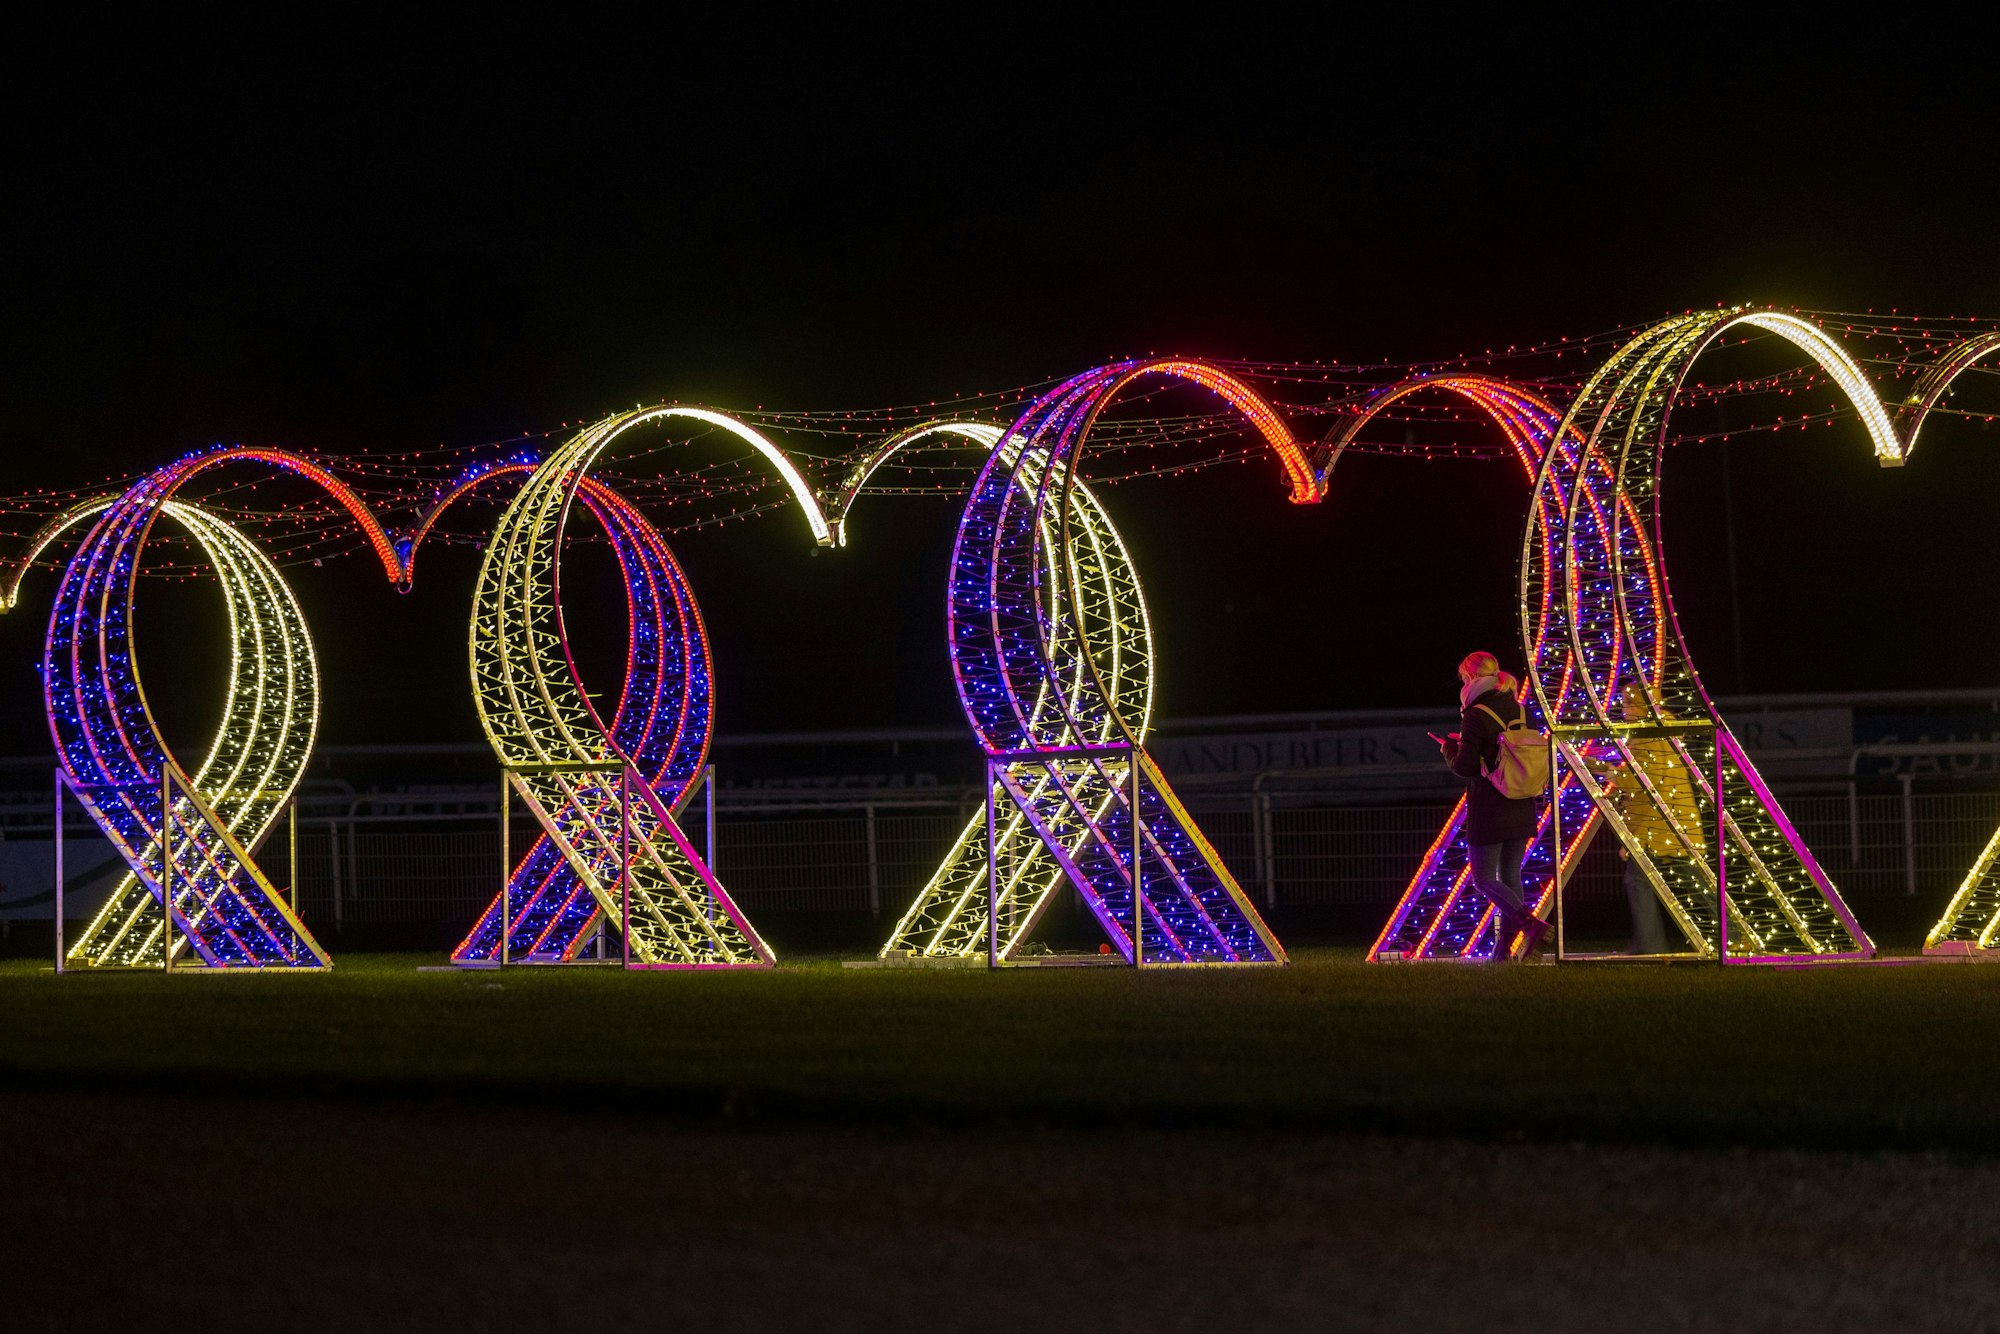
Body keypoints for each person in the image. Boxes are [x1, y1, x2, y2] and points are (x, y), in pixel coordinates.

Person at [1439, 651, 1550, 961]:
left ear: (1471, 677)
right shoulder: (1521, 710)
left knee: (1484, 878)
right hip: (1522, 800)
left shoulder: (1475, 714)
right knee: (1511, 876)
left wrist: (1449, 749)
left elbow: (1465, 767)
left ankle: (1531, 925)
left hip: (1490, 806)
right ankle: (1504, 952)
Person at [1602, 676, 1705, 955]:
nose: (1623, 709)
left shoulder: (1645, 734)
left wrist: (1612, 774)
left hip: (1657, 825)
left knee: (1639, 881)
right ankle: (1731, 935)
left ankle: (1649, 944)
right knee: (1695, 883)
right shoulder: (1666, 729)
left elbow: (1642, 781)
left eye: (1627, 703)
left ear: (1641, 705)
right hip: (1675, 822)